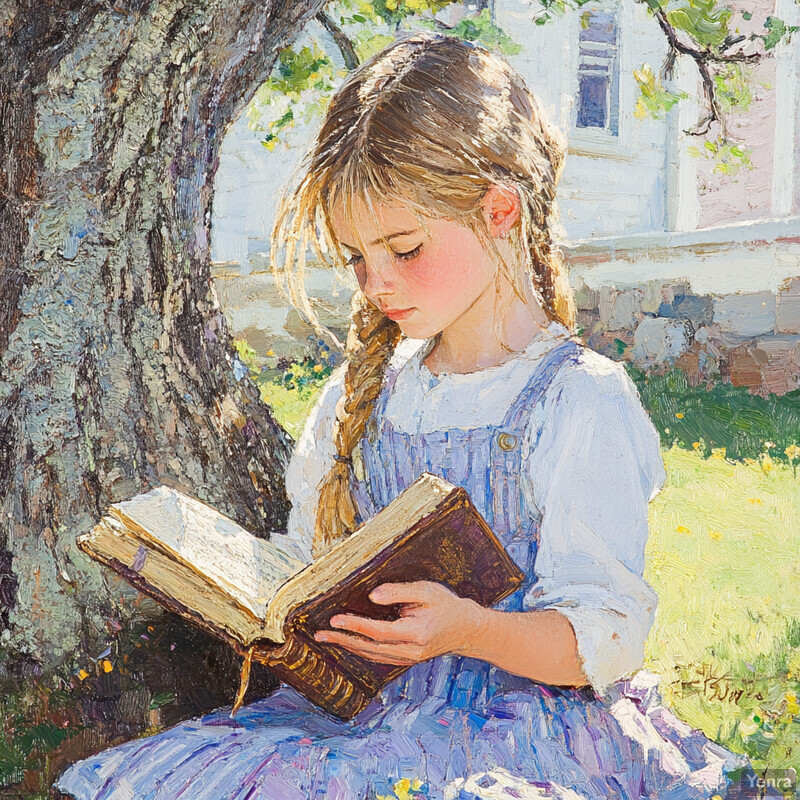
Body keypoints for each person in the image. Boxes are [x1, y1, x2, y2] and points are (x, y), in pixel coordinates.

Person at [56, 32, 752, 800]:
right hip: (359, 718)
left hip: (518, 724)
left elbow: (607, 640)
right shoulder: (372, 391)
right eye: (357, 258)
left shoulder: (578, 399)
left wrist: (466, 630)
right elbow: (308, 558)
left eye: (405, 248)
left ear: (499, 211)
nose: (376, 282)